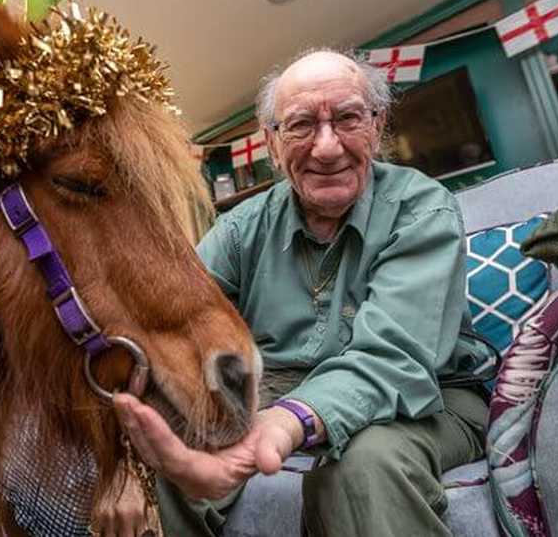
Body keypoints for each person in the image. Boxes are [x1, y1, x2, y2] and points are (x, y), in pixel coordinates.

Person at [106, 48, 496, 537]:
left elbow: (395, 357)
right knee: (169, 462)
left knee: (364, 465)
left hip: (428, 398)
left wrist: (287, 422)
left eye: (348, 118)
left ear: (377, 126)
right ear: (272, 142)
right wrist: (124, 461)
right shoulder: (241, 227)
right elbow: (166, 326)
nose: (327, 147)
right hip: (277, 391)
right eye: (301, 125)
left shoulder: (422, 208)